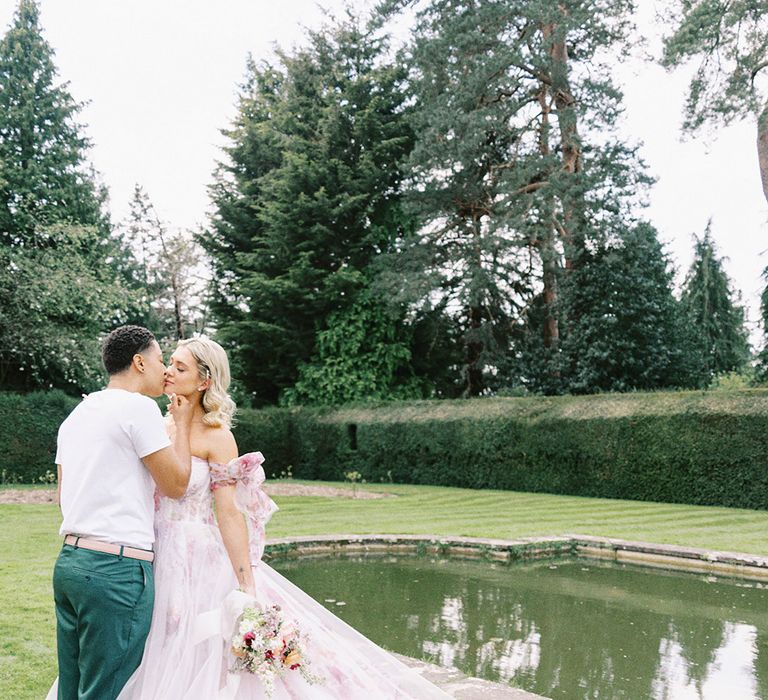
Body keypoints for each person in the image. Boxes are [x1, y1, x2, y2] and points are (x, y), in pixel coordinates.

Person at [117, 336, 450, 699]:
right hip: (151, 547)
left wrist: (245, 581)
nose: (168, 371)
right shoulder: (157, 425)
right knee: (156, 639)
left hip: (197, 556)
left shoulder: (218, 437)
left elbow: (228, 512)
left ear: (204, 381)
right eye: (171, 363)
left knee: (199, 642)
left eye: (180, 367)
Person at [50, 325, 195, 700]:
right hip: (115, 571)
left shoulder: (76, 416)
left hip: (71, 563)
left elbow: (64, 495)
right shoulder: (139, 408)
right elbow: (176, 486)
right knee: (107, 691)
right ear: (138, 362)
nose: (165, 370)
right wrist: (180, 426)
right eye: (161, 360)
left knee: (73, 688)